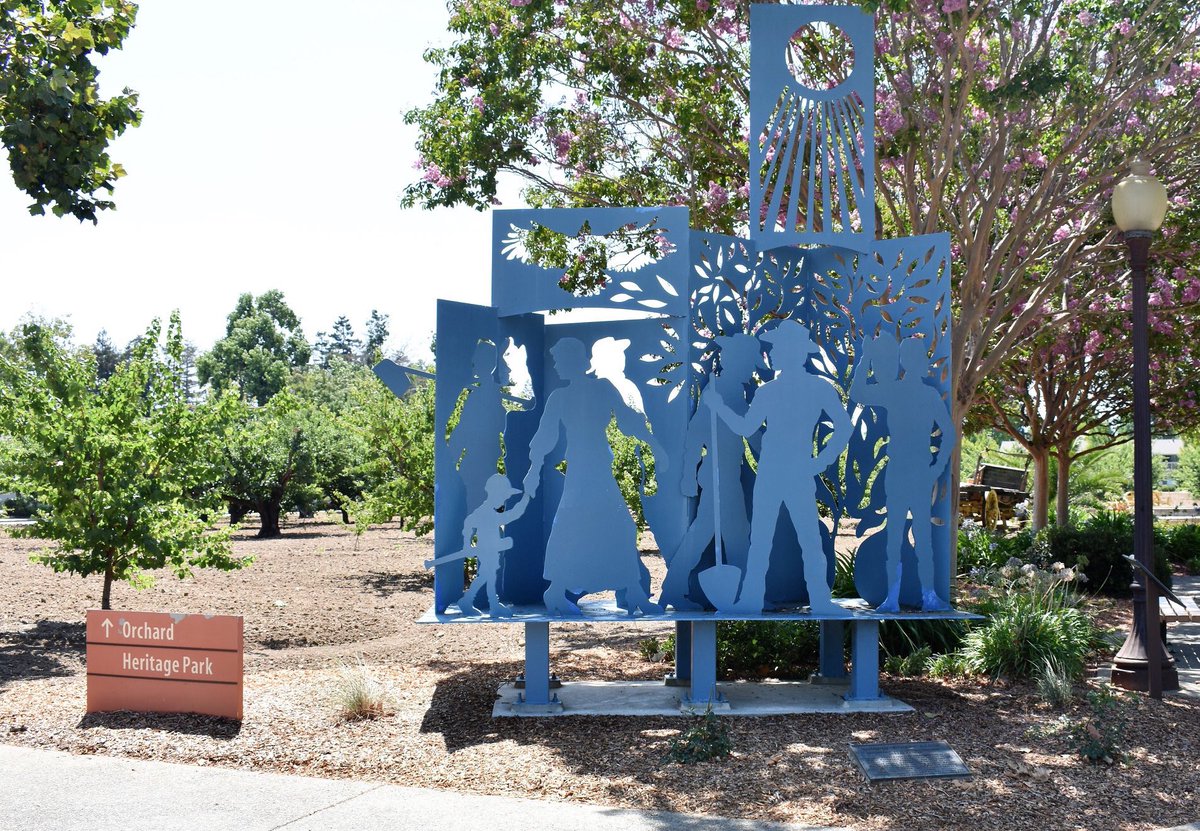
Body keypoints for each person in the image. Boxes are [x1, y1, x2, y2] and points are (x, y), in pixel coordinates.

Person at [708, 321, 851, 614]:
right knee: (782, 539)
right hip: (781, 471)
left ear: (792, 352)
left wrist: (820, 462)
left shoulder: (795, 390)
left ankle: (817, 600)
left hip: (783, 471)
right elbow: (748, 427)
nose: (770, 354)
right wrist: (819, 462)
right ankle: (762, 599)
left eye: (776, 349)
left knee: (781, 539)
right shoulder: (778, 391)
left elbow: (746, 427)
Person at [518, 337, 667, 615]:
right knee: (575, 525)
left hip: (598, 466)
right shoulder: (559, 397)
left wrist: (655, 445)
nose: (558, 367)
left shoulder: (603, 388)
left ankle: (632, 592)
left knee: (620, 525)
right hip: (580, 469)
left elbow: (628, 420)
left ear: (576, 361)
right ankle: (557, 591)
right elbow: (544, 438)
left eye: (561, 361)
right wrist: (531, 471)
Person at [849, 335, 956, 612]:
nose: (921, 363)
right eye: (916, 358)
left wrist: (937, 467)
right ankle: (892, 597)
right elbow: (858, 393)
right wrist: (865, 359)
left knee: (920, 533)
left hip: (919, 471)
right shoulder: (895, 390)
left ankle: (928, 595)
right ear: (908, 363)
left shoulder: (928, 395)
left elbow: (949, 434)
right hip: (900, 470)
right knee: (897, 533)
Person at [661, 334, 763, 611]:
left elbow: (751, 436)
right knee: (729, 536)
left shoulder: (733, 394)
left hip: (728, 475)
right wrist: (687, 475)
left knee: (728, 534)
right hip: (718, 476)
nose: (750, 370)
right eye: (747, 364)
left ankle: (676, 589)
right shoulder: (716, 393)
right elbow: (696, 436)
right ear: (735, 362)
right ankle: (742, 594)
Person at [424, 473, 527, 617]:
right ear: (496, 494)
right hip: (488, 551)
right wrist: (467, 544)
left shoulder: (489, 512)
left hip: (491, 550)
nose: (505, 500)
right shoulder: (485, 512)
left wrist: (526, 499)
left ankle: (475, 602)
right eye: (504, 496)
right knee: (488, 575)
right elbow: (470, 524)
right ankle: (489, 604)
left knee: (487, 576)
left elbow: (509, 516)